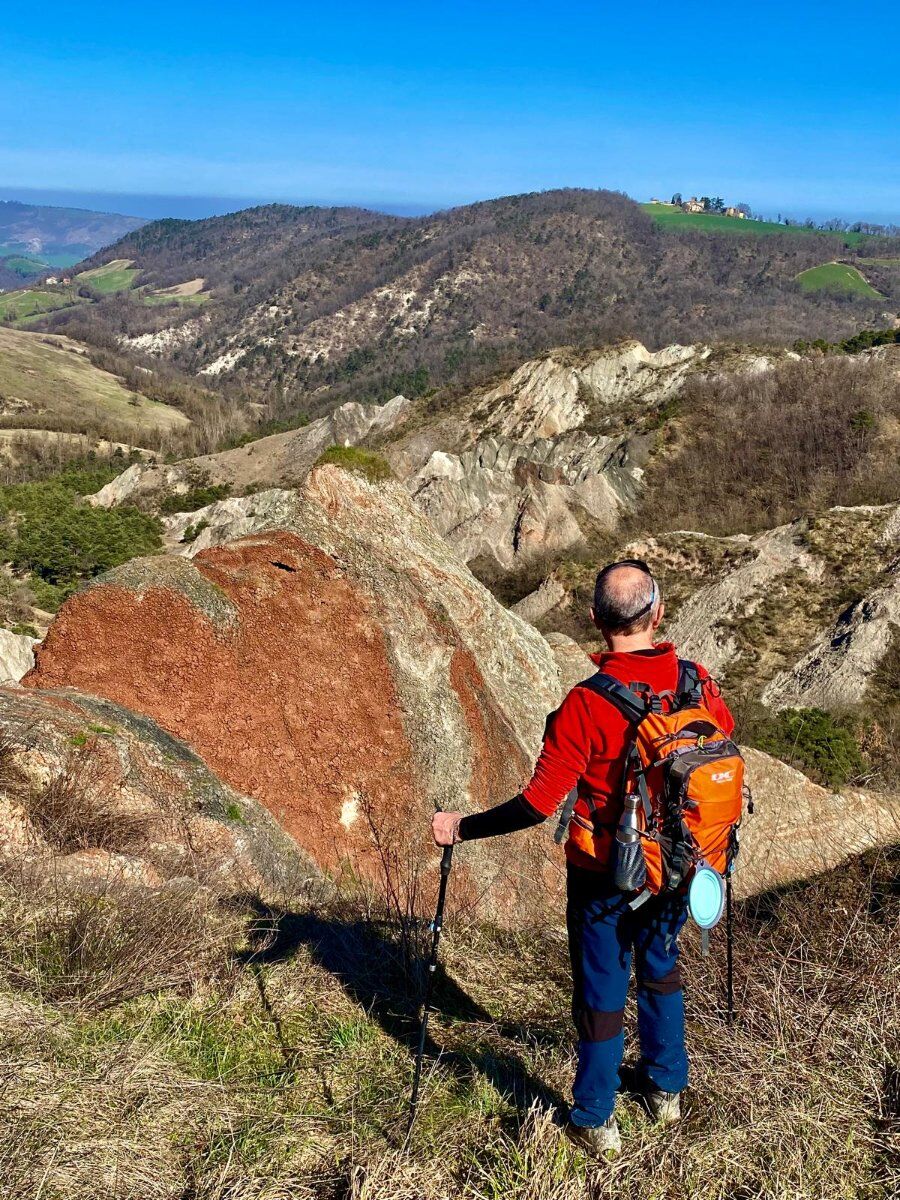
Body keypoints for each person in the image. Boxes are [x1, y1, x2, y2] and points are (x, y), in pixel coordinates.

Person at [431, 560, 734, 1157]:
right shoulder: (699, 682)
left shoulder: (586, 704)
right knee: (661, 968)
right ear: (659, 613)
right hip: (681, 865)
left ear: (595, 621)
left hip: (605, 873)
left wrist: (461, 827)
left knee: (601, 991)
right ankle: (666, 1089)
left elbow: (539, 804)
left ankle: (595, 1117)